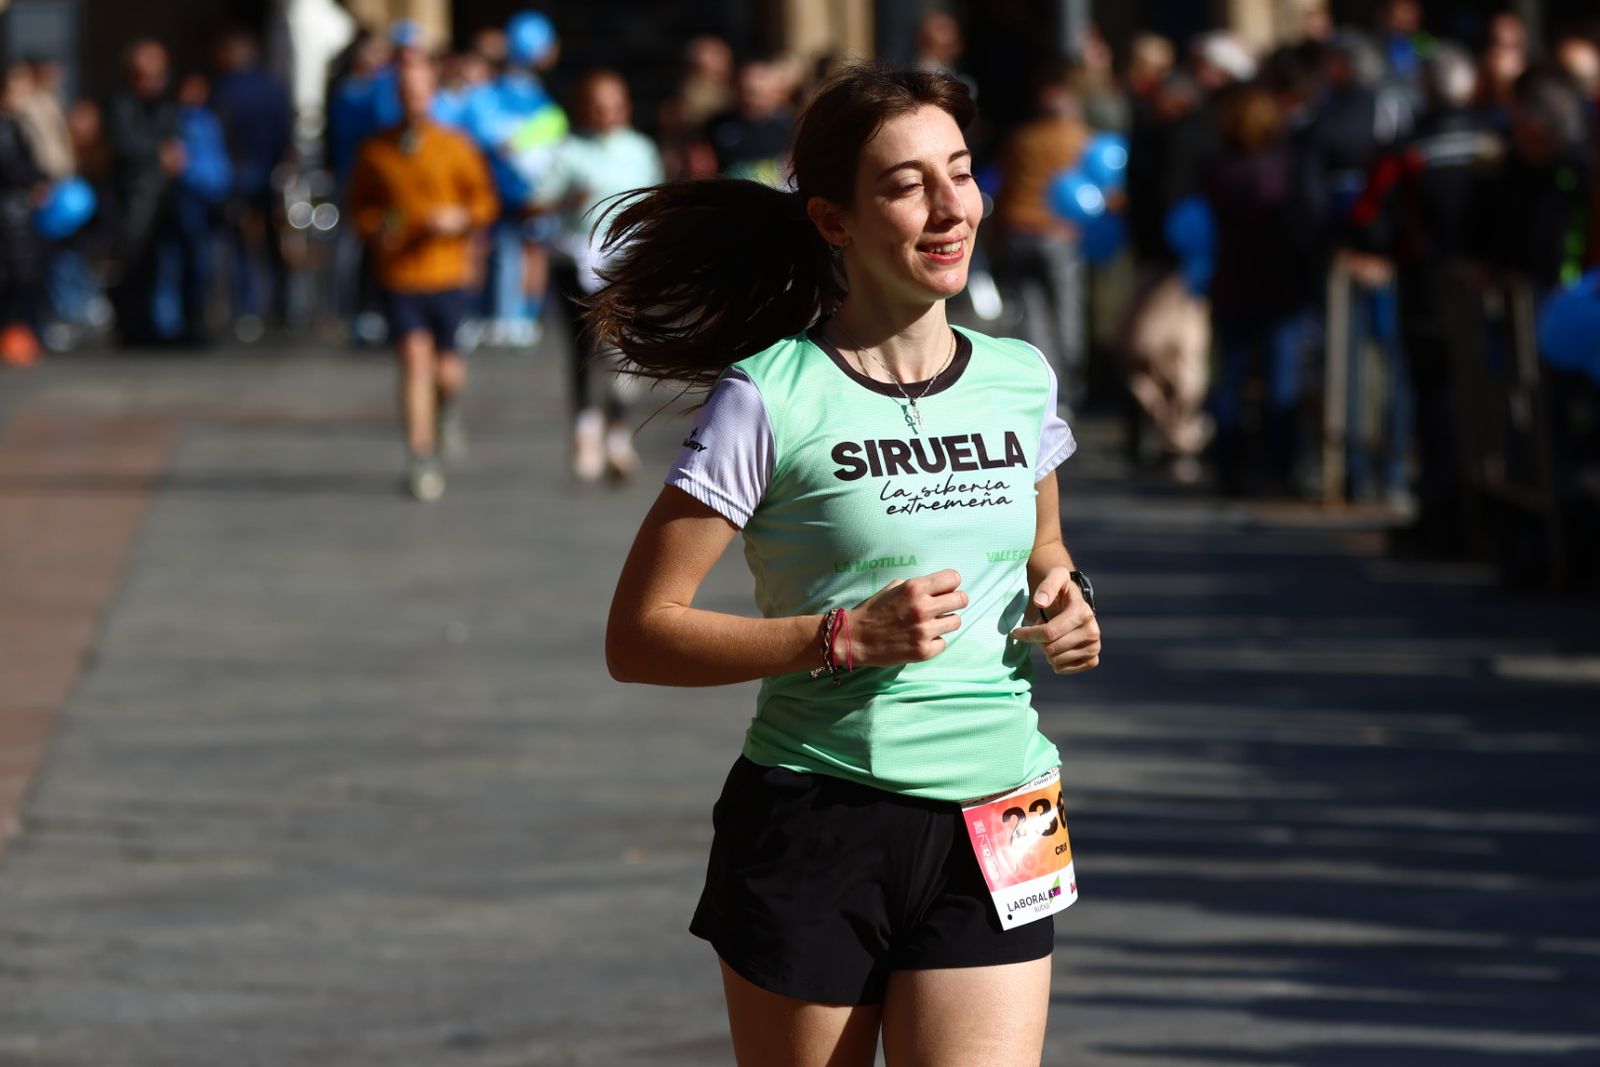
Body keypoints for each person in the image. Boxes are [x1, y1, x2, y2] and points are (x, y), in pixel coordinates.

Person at [596, 64, 1100, 1066]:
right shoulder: (770, 396)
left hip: (1005, 810)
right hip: (818, 817)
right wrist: (839, 636)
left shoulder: (1018, 377)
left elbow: (1044, 544)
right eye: (907, 184)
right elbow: (638, 632)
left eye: (959, 171)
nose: (951, 205)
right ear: (833, 220)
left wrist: (1068, 598)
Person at [347, 53, 498, 501]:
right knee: (415, 361)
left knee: (447, 372)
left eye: (420, 91)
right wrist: (377, 225)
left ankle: (445, 411)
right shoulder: (376, 151)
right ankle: (420, 454)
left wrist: (460, 218)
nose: (413, 100)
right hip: (399, 274)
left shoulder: (456, 146)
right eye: (405, 92)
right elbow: (360, 207)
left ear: (432, 93)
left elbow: (484, 202)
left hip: (448, 271)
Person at [536, 69, 663, 482]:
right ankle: (585, 426)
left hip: (625, 261)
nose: (608, 113)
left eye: (615, 105)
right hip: (576, 259)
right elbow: (536, 202)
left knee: (625, 347)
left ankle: (619, 433)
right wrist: (567, 200)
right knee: (584, 347)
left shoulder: (641, 148)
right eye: (600, 106)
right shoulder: (569, 151)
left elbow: (655, 199)